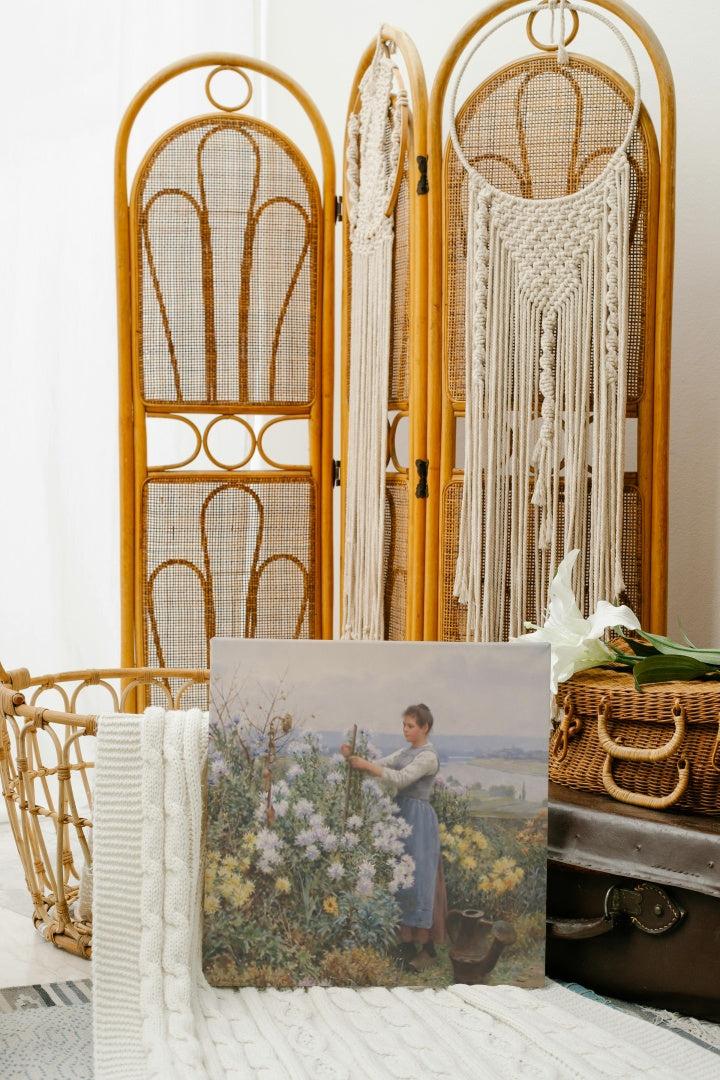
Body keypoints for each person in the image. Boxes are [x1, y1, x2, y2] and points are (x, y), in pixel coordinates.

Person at [341, 703, 446, 971]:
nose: (405, 730)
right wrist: (354, 758)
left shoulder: (428, 757)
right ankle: (405, 943)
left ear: (425, 727)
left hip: (419, 820)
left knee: (419, 878)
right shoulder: (406, 751)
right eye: (404, 725)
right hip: (399, 817)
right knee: (398, 877)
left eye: (410, 726)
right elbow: (379, 766)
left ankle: (426, 948)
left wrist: (366, 765)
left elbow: (400, 779)